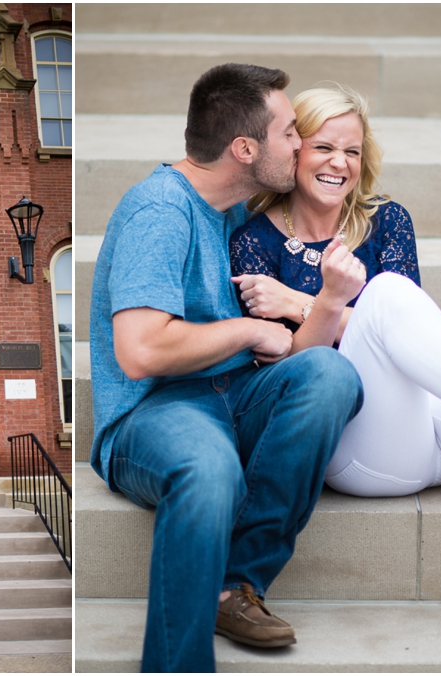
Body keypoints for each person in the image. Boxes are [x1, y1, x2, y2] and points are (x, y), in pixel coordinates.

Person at [89, 63, 365, 673]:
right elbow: (140, 352)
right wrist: (248, 328)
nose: (300, 145)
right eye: (291, 133)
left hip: (235, 393)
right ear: (245, 148)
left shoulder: (237, 211)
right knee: (209, 466)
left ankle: (237, 584)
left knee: (330, 376)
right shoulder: (160, 212)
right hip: (157, 410)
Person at [230, 83, 441, 497]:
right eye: (324, 147)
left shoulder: (387, 220)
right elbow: (291, 369)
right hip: (360, 449)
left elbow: (401, 333)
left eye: (352, 151)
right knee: (384, 292)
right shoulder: (254, 243)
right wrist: (330, 301)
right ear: (295, 152)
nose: (339, 162)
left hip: (423, 422)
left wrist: (297, 303)